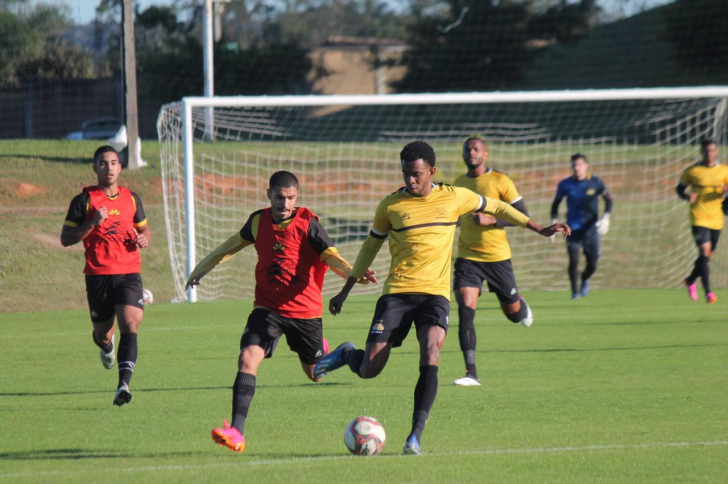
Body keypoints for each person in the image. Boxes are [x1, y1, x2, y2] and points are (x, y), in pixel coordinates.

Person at [314, 141, 570, 455]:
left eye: (417, 174)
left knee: (431, 352)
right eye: (406, 174)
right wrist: (345, 291)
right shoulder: (390, 206)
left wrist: (540, 228)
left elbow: (498, 207)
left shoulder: (454, 196)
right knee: (370, 369)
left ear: (431, 171)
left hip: (435, 295)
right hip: (397, 294)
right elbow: (370, 248)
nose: (410, 180)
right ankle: (345, 354)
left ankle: (414, 436)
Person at [185, 171, 376, 453]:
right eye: (279, 197)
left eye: (290, 198)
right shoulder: (258, 221)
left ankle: (344, 353)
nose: (284, 204)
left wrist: (355, 274)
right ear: (269, 195)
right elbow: (231, 245)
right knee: (247, 358)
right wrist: (202, 267)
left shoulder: (308, 225)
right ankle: (236, 431)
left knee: (315, 373)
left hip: (305, 312)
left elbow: (330, 256)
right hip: (268, 308)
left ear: (296, 197)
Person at [61, 145, 151, 406]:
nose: (108, 168)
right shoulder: (84, 201)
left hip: (129, 272)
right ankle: (106, 345)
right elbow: (66, 239)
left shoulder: (132, 198)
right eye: (103, 163)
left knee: (130, 325)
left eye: (113, 163)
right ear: (95, 168)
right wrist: (91, 224)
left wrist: (144, 239)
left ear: (120, 168)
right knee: (103, 333)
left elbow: (144, 230)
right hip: (98, 275)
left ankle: (124, 385)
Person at [451, 137, 533, 387]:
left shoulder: (500, 180)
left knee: (513, 314)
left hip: (497, 259)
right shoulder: (459, 184)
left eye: (476, 149)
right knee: (465, 311)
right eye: (468, 149)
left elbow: (523, 216)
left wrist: (494, 221)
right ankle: (471, 373)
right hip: (467, 258)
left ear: (485, 154)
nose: (471, 153)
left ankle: (520, 305)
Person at [550, 153, 613, 300]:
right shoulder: (565, 184)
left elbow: (608, 199)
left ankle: (584, 278)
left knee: (593, 262)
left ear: (586, 166)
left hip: (591, 229)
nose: (577, 168)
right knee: (574, 260)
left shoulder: (596, 182)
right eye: (574, 165)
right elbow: (555, 204)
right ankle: (575, 292)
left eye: (579, 165)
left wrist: (606, 217)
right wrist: (554, 221)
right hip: (572, 228)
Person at [676, 139, 728, 304]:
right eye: (706, 151)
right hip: (698, 216)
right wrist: (686, 196)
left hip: (716, 218)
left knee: (708, 257)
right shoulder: (692, 171)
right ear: (701, 152)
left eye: (712, 151)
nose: (709, 154)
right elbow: (679, 188)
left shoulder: (724, 171)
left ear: (716, 152)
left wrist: (725, 194)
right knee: (704, 252)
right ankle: (708, 293)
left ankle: (691, 280)